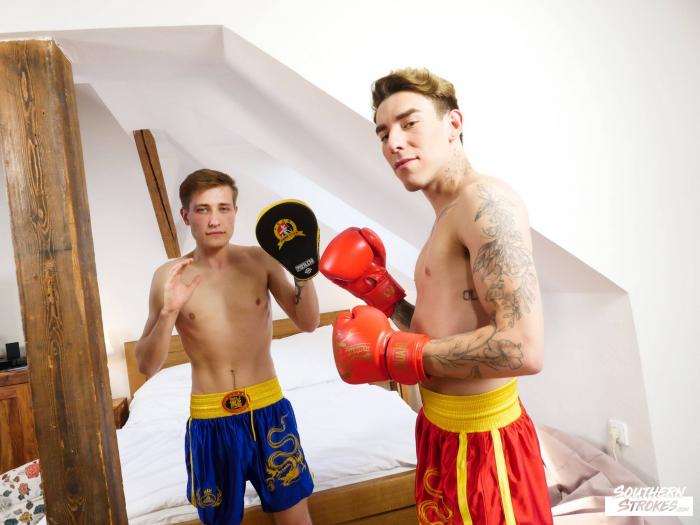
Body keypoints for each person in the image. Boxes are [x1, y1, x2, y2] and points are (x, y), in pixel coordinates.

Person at [320, 69, 553, 524]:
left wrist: (392, 354)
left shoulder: (485, 203)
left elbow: (523, 348)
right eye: (383, 133)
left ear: (453, 124)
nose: (394, 143)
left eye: (409, 123)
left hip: (485, 441)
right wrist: (388, 301)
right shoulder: (446, 215)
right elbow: (442, 330)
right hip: (440, 431)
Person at [135, 169, 318, 525]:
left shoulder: (260, 260)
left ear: (235, 211)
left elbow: (308, 322)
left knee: (296, 521)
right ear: (186, 216)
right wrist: (170, 312)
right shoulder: (169, 276)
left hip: (269, 412)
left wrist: (303, 273)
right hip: (211, 420)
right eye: (202, 210)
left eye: (223, 208)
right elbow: (146, 365)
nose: (214, 220)